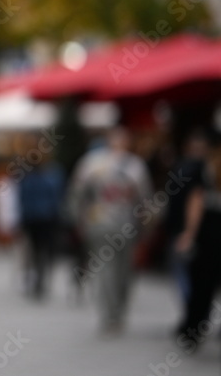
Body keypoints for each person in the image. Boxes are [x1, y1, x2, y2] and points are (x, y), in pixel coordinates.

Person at [67, 127, 152, 334]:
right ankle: (114, 313)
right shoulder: (133, 165)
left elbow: (76, 195)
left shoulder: (93, 163)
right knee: (117, 269)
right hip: (115, 224)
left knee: (113, 268)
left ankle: (112, 313)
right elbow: (146, 199)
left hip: (105, 223)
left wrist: (78, 220)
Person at [175, 142, 221, 350]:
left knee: (201, 287)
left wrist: (189, 234)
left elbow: (196, 203)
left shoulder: (206, 169)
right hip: (209, 237)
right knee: (202, 286)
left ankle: (193, 330)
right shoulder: (206, 170)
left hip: (208, 237)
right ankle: (193, 328)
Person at [164, 130, 208, 306]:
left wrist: (188, 232)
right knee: (192, 272)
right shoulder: (200, 167)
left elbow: (195, 202)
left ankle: (193, 309)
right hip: (192, 229)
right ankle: (195, 310)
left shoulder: (189, 168)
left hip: (186, 229)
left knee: (185, 271)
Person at [17, 149, 65, 300]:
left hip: (32, 219)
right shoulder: (51, 178)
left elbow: (22, 200)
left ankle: (35, 278)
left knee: (34, 250)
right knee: (44, 250)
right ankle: (41, 278)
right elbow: (57, 198)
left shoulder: (27, 180)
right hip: (47, 219)